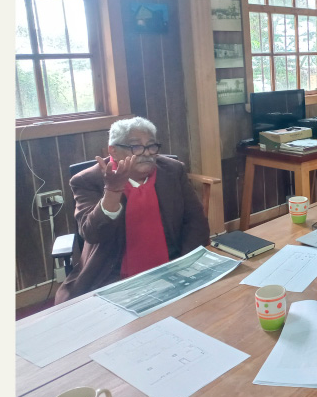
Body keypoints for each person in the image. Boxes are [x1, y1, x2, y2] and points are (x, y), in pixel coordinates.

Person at [53, 117, 210, 303]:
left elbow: (195, 221)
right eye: (136, 146)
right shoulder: (88, 180)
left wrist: (185, 266)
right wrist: (112, 191)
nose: (147, 153)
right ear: (113, 150)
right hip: (112, 276)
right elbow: (92, 233)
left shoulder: (173, 171)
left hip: (172, 266)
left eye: (152, 146)